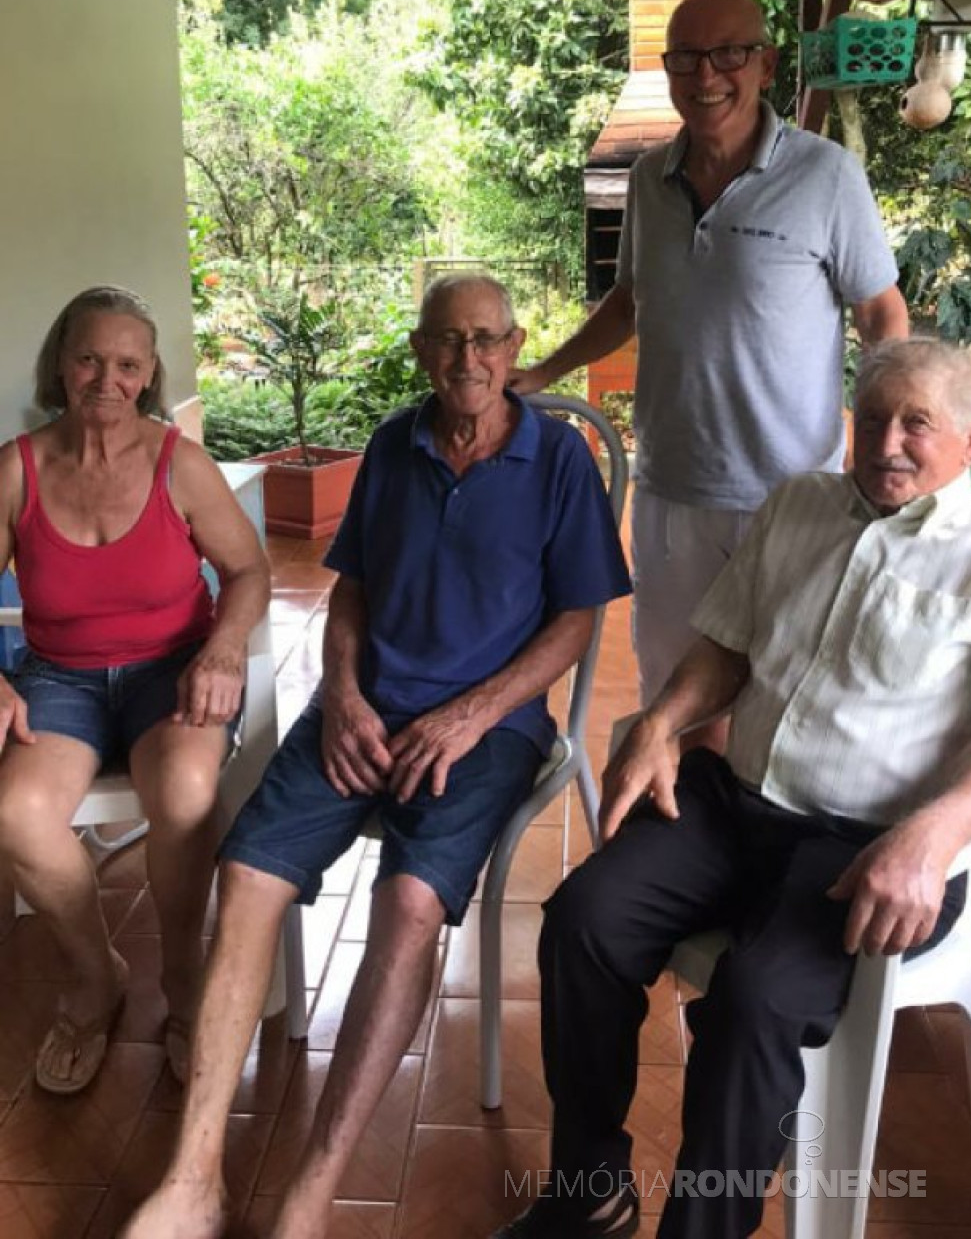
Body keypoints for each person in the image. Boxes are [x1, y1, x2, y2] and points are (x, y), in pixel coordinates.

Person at [124, 272, 631, 1239]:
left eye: (486, 340)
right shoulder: (394, 445)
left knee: (405, 905)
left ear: (516, 348)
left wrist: (471, 715)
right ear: (419, 351)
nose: (467, 360)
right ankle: (192, 1176)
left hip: (488, 729)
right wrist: (345, 693)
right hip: (363, 708)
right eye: (447, 341)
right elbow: (347, 591)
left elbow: (575, 623)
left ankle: (309, 1193)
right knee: (248, 872)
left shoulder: (558, 459)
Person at [496, 336, 971, 1239]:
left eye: (919, 423)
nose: (887, 442)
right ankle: (589, 1195)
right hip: (736, 804)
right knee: (582, 923)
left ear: (970, 444)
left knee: (752, 1002)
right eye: (873, 418)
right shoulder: (798, 507)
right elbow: (724, 646)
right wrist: (660, 721)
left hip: (870, 847)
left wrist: (939, 831)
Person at [511, 0, 909, 718]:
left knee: (780, 688)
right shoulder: (647, 179)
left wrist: (885, 439)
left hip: (792, 492)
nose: (707, 77)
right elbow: (630, 301)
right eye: (687, 58)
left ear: (766, 63)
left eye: (729, 53)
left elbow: (882, 312)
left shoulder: (825, 176)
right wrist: (541, 371)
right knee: (670, 688)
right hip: (672, 490)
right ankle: (680, 824)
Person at [0, 285, 270, 1094]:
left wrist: (224, 649)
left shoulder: (176, 462)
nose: (105, 379)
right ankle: (95, 978)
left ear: (149, 373)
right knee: (14, 811)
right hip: (60, 678)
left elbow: (249, 569)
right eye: (88, 358)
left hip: (173, 667)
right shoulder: (17, 469)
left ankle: (183, 979)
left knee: (186, 791)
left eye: (126, 364)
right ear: (60, 362)